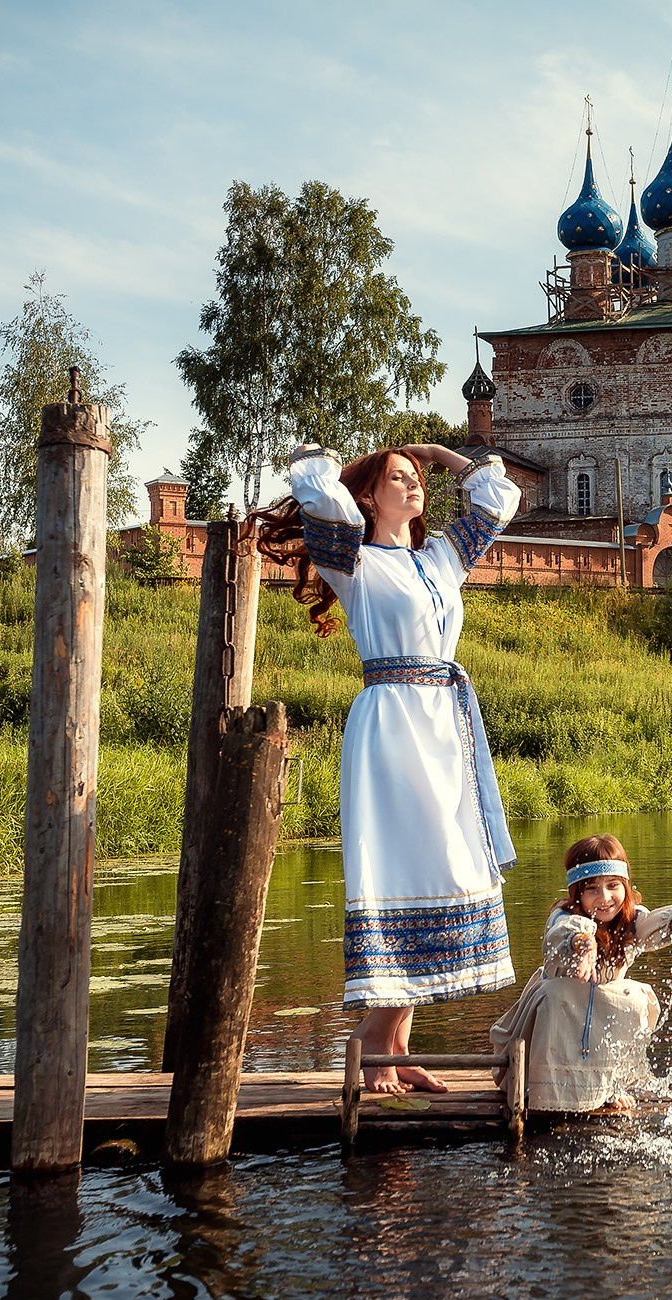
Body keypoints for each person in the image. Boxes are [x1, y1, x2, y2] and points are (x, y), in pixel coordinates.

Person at [257, 441, 520, 1096]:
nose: (414, 484)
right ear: (370, 497)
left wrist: (439, 453)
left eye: (416, 478)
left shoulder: (441, 558)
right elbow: (316, 483)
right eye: (398, 478)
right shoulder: (354, 560)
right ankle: (374, 1044)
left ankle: (395, 1046)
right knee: (404, 872)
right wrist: (360, 460)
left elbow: (499, 497)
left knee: (447, 871)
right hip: (392, 727)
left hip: (444, 727)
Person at [490, 833, 672, 1113]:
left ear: (624, 885)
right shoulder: (565, 917)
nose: (604, 898)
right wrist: (583, 944)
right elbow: (564, 934)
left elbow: (657, 926)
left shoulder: (631, 919)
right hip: (558, 1018)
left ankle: (609, 1084)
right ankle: (545, 1088)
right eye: (592, 889)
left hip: (602, 1017)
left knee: (632, 997)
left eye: (613, 886)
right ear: (577, 893)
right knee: (557, 995)